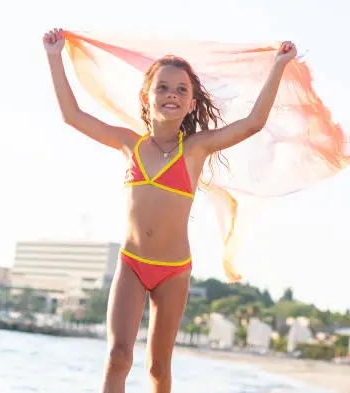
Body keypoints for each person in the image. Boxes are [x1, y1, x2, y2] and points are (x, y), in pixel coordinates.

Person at [43, 27, 297, 393]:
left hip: (173, 271)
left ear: (192, 103)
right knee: (118, 355)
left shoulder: (195, 150)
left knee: (159, 367)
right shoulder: (129, 143)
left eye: (181, 89)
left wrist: (279, 65)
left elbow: (253, 122)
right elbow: (72, 115)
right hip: (131, 263)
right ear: (146, 97)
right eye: (162, 87)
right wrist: (55, 57)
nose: (171, 95)